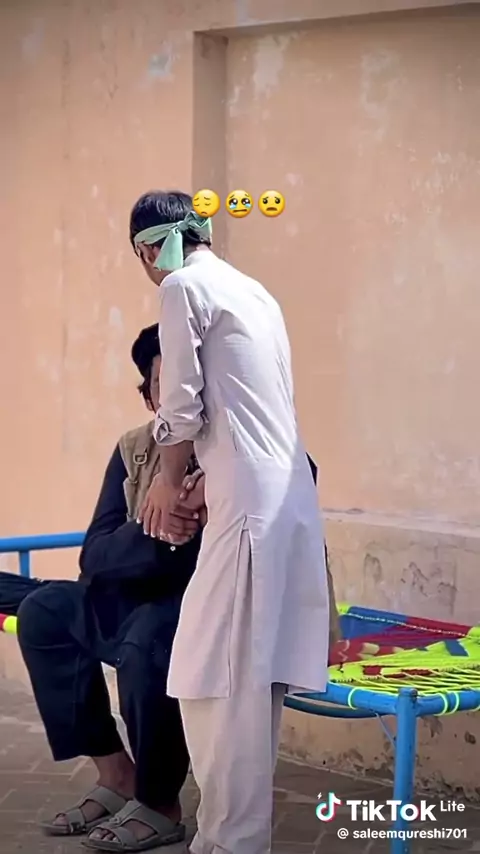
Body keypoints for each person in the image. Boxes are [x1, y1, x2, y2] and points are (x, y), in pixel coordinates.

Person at [131, 190, 331, 854]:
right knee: (234, 676)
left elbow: (182, 405)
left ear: (148, 250)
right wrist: (199, 482)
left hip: (251, 511)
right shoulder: (255, 292)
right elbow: (245, 411)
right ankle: (226, 839)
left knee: (221, 680)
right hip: (279, 502)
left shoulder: (182, 286)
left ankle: (231, 843)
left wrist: (166, 484)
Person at [17, 324, 206, 852]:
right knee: (45, 611)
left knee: (146, 639)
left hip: (203, 608)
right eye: (164, 387)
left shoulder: (242, 441)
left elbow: (296, 479)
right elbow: (94, 554)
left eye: (190, 386)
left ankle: (160, 803)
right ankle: (117, 774)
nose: (179, 399)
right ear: (149, 398)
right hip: (132, 594)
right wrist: (159, 526)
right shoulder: (134, 449)